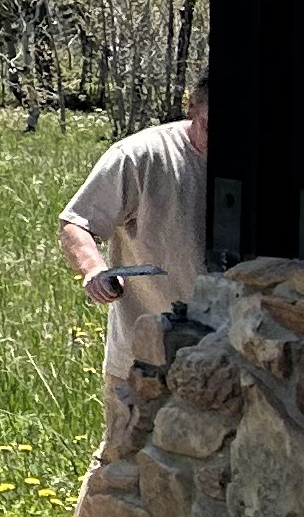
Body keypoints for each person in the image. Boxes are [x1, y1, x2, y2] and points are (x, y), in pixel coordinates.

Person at [60, 77, 210, 458]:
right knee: (122, 470)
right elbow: (77, 222)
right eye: (211, 126)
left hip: (219, 356)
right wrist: (94, 271)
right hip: (143, 357)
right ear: (192, 108)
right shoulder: (141, 156)